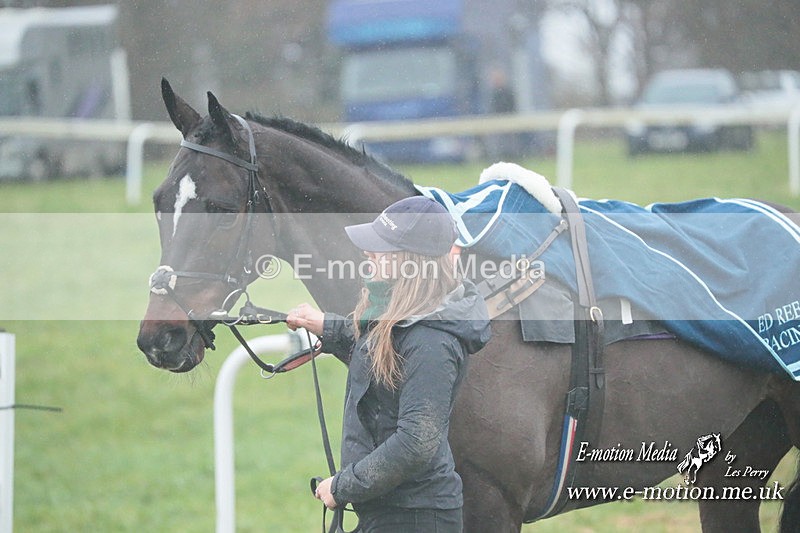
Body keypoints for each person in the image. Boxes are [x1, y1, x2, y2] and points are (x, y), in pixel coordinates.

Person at [287, 196, 491, 532]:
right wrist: (328, 326)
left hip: (413, 518)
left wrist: (342, 487)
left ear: (409, 262)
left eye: (380, 247)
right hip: (392, 512)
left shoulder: (431, 342)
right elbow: (383, 355)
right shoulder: (408, 321)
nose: (368, 253)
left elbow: (415, 443)